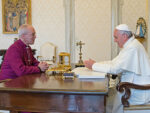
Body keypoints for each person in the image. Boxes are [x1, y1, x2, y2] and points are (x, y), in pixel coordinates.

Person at [84, 24, 150, 113]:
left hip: (137, 92)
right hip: (130, 88)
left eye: (116, 37)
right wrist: (96, 64)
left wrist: (93, 66)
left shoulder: (132, 48)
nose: (115, 40)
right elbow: (114, 62)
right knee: (108, 101)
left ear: (124, 36)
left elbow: (115, 68)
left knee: (106, 103)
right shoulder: (130, 45)